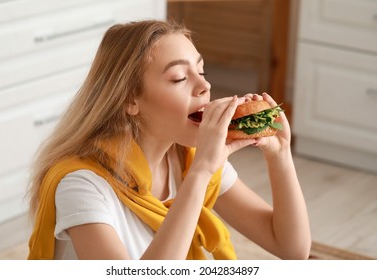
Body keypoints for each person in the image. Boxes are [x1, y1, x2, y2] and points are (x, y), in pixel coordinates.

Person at [26, 19, 311, 260]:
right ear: (130, 100)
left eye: (201, 72)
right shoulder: (83, 185)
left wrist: (280, 157)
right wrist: (201, 172)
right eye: (178, 78)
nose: (205, 86)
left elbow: (291, 248)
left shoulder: (187, 159)